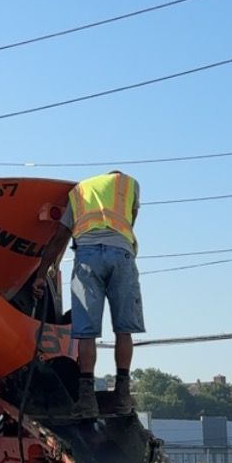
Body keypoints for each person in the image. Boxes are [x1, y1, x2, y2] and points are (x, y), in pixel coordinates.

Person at [65, 171, 144, 416]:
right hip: (121, 254)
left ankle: (87, 400)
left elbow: (61, 233)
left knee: (86, 332)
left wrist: (41, 271)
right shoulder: (128, 184)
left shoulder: (77, 192)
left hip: (86, 255)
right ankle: (122, 395)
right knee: (123, 329)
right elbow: (131, 219)